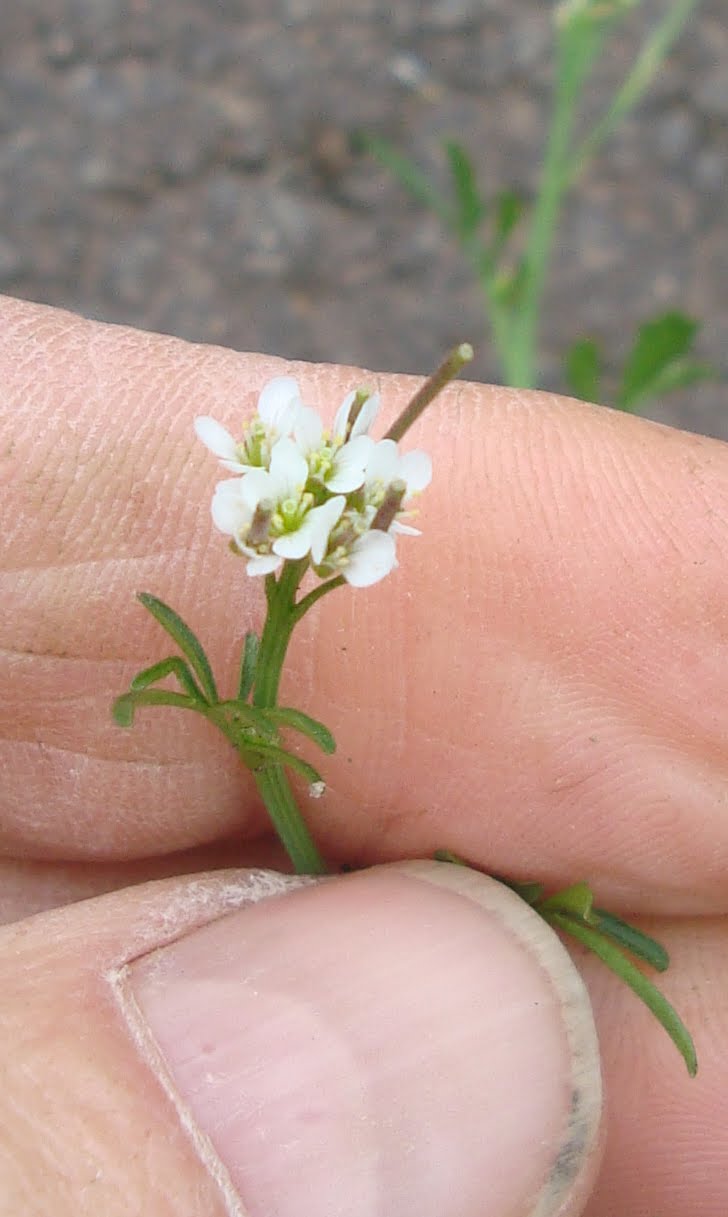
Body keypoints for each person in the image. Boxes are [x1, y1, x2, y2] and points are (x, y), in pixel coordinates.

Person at [0, 295, 725, 1217]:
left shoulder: (321, 544)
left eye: (334, 531)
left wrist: (321, 537)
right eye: (305, 523)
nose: (301, 531)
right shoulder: (279, 535)